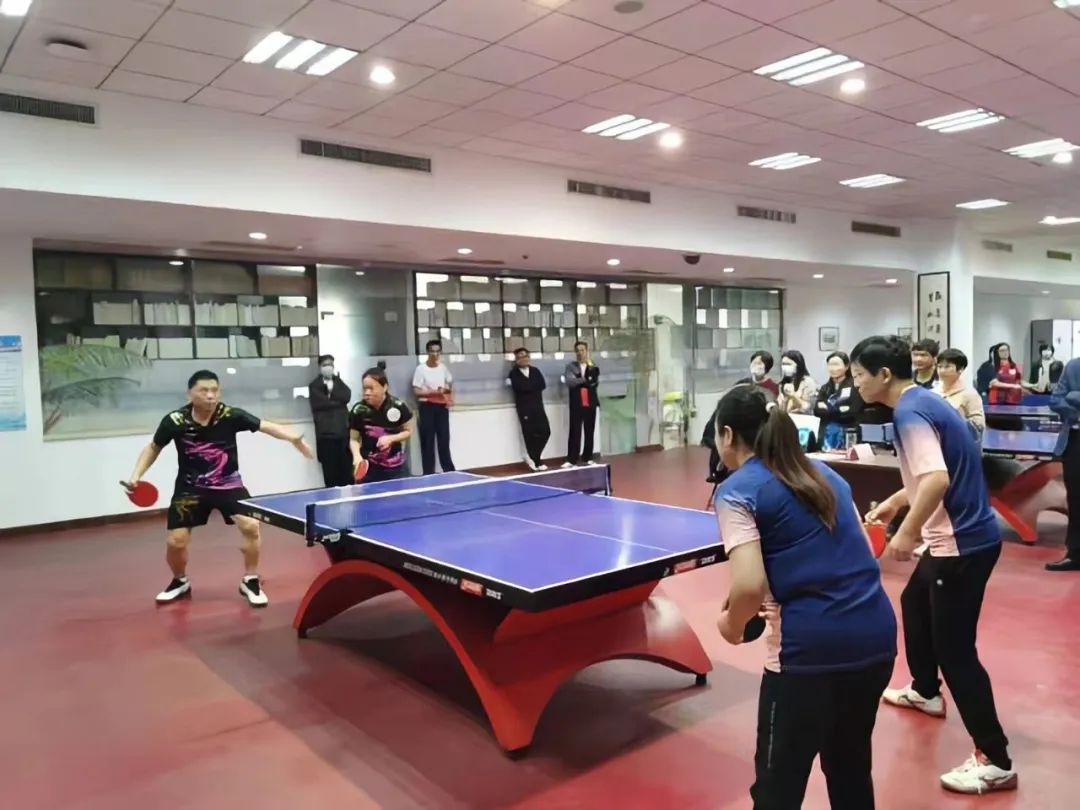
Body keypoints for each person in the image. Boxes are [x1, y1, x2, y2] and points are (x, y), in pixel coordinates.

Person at [713, 384, 896, 810]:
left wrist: (731, 625)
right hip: (875, 640)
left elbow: (747, 586)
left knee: (777, 788)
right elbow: (861, 548)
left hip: (806, 656)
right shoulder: (827, 475)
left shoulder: (736, 491)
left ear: (728, 435)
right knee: (850, 770)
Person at [852, 335, 1017, 796]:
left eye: (860, 375)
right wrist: (894, 501)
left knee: (956, 652)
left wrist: (906, 534)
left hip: (960, 547)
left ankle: (996, 760)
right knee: (914, 602)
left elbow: (938, 480)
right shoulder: (923, 401)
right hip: (963, 540)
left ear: (884, 375)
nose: (856, 383)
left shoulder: (909, 413)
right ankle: (925, 690)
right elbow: (931, 473)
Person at [122, 370, 313, 607]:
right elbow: (154, 447)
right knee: (176, 542)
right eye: (204, 391)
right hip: (190, 488)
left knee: (251, 525)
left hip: (228, 485)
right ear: (190, 394)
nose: (211, 396)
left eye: (215, 390)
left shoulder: (229, 415)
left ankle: (250, 579)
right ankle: (180, 580)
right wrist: (136, 476)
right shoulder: (175, 421)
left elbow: (265, 426)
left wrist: (294, 438)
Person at [350, 363, 413, 483]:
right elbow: (354, 439)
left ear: (384, 387)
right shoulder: (358, 410)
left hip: (396, 469)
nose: (367, 392)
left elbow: (408, 431)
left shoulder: (398, 406)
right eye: (364, 388)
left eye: (371, 388)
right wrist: (356, 456)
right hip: (369, 469)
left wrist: (391, 438)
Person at [1046, 357, 1080, 572]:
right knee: (1076, 499)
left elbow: (1069, 397)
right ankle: (1076, 553)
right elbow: (1056, 399)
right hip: (1075, 441)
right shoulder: (1073, 366)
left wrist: (1074, 396)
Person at [308, 354, 353, 487]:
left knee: (346, 471)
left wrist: (331, 396)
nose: (328, 367)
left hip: (343, 433)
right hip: (326, 435)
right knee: (330, 474)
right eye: (325, 365)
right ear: (320, 367)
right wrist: (337, 402)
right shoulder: (314, 385)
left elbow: (347, 396)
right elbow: (320, 404)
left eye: (330, 365)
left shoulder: (338, 381)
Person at [413, 339, 455, 476]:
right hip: (427, 407)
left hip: (441, 408)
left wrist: (448, 396)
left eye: (437, 351)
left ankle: (449, 472)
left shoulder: (443, 368)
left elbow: (449, 385)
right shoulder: (420, 369)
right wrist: (434, 392)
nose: (435, 354)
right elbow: (417, 391)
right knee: (428, 441)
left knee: (444, 439)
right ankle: (428, 473)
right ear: (427, 352)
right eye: (432, 351)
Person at [507, 347, 550, 471]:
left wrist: (529, 387)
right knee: (529, 435)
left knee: (545, 431)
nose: (523, 359)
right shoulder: (513, 374)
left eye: (525, 356)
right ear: (516, 360)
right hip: (524, 409)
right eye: (520, 357)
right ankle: (536, 461)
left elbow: (542, 385)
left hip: (538, 406)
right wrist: (531, 387)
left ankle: (535, 456)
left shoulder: (535, 371)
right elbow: (519, 387)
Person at [813, 350, 863, 450]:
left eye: (836, 364)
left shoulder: (854, 386)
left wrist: (828, 408)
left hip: (847, 430)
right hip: (825, 431)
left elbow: (852, 411)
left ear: (846, 366)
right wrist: (838, 409)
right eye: (830, 365)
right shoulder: (825, 388)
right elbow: (817, 410)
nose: (833, 368)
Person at [936, 348, 985, 443]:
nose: (942, 371)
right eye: (939, 367)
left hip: (958, 442)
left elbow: (978, 426)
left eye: (947, 367)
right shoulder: (933, 392)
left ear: (960, 369)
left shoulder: (970, 394)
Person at [563, 341, 600, 467]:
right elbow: (570, 382)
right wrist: (585, 379)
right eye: (577, 350)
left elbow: (594, 382)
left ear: (587, 351)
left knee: (590, 430)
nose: (580, 353)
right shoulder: (571, 367)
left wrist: (581, 380)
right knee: (575, 430)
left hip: (590, 402)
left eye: (582, 350)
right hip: (576, 402)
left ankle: (588, 457)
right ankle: (571, 459)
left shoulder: (593, 365)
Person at [777, 350, 816, 414]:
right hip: (785, 417)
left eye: (788, 364)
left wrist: (793, 396)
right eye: (783, 364)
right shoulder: (782, 383)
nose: (785, 367)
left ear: (798, 365)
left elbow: (808, 407)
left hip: (802, 418)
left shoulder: (808, 382)